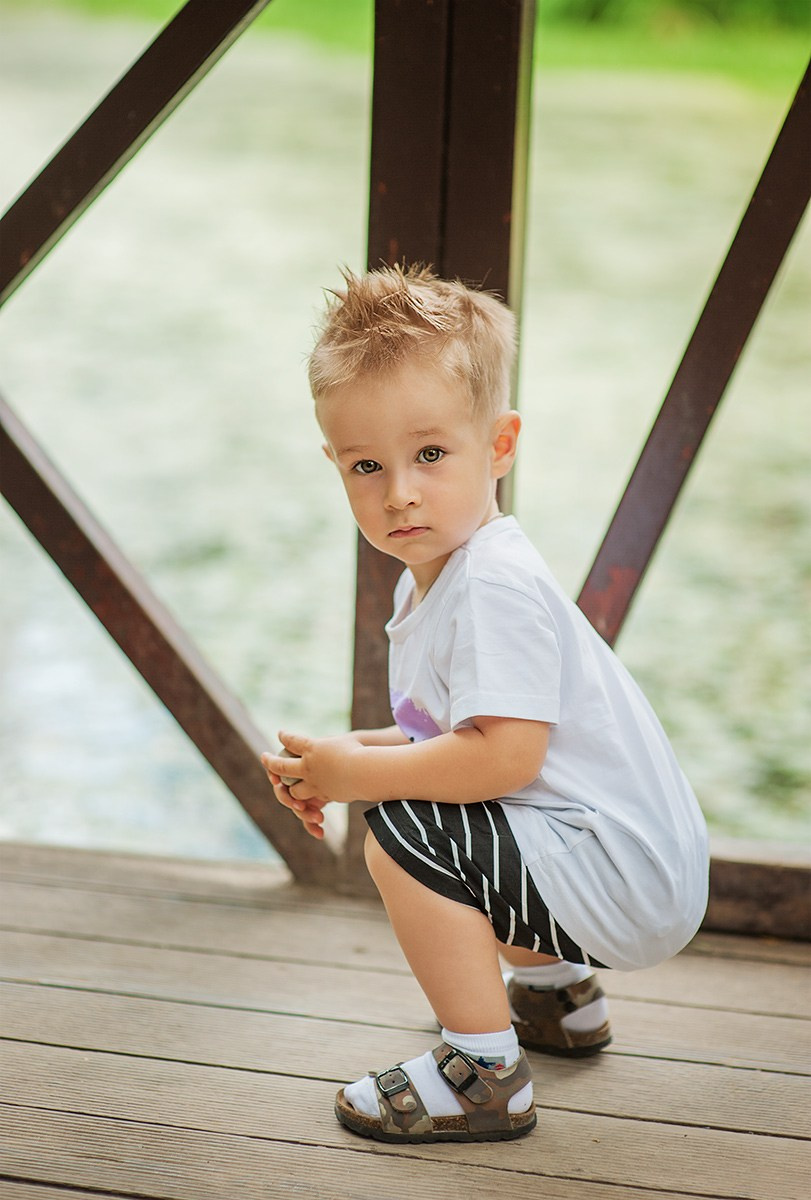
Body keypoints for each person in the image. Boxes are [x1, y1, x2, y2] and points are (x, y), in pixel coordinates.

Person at [261, 264, 709, 1145]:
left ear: (498, 445)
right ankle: (556, 1002)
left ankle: (483, 1074)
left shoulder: (492, 586)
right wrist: (343, 755)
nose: (398, 492)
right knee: (415, 796)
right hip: (610, 859)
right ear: (334, 463)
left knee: (402, 829)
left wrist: (364, 778)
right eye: (366, 465)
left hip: (622, 875)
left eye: (430, 454)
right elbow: (455, 736)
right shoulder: (439, 581)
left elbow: (503, 761)